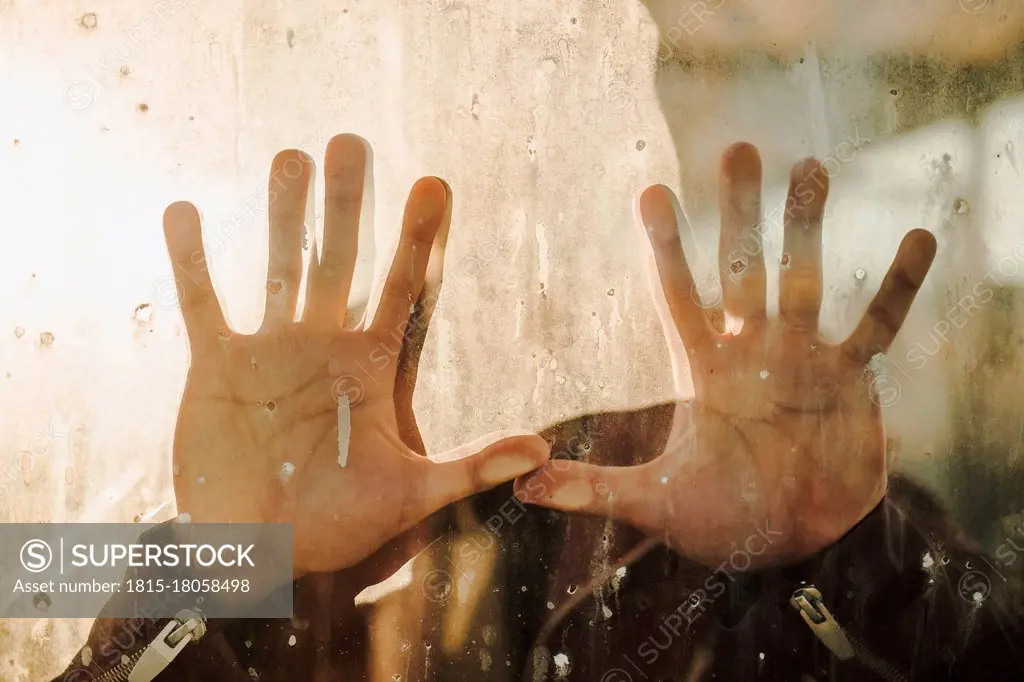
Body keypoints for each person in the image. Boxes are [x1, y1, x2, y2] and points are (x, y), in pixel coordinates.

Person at [49, 136, 1024, 681]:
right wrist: (219, 556)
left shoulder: (833, 509)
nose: (544, 325)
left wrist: (834, 550)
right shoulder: (345, 571)